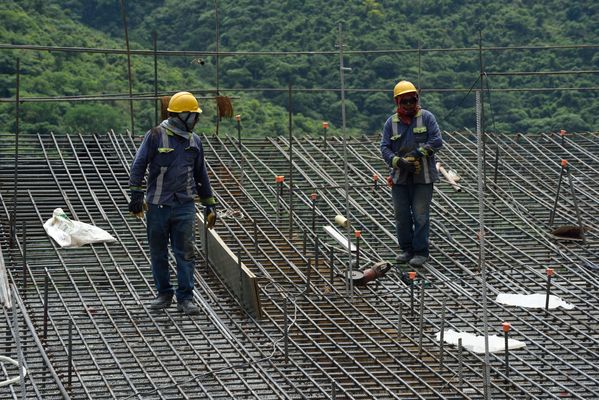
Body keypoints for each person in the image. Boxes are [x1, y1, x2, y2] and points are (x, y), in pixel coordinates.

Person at [128, 91, 217, 315]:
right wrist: (136, 194)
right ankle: (164, 294)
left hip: (184, 206)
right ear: (183, 116)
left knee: (186, 253)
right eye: (194, 116)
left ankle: (185, 298)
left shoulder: (195, 141)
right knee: (158, 252)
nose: (196, 120)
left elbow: (201, 174)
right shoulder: (156, 135)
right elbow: (139, 165)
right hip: (158, 205)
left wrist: (209, 203)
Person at [380, 80, 443, 267]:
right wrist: (398, 161)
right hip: (400, 178)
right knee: (402, 215)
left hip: (423, 177)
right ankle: (407, 249)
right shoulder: (391, 123)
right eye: (404, 101)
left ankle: (421, 251)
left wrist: (418, 154)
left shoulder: (427, 118)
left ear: (416, 99)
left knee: (420, 214)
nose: (409, 104)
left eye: (411, 100)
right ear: (398, 102)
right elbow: (384, 147)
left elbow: (437, 141)